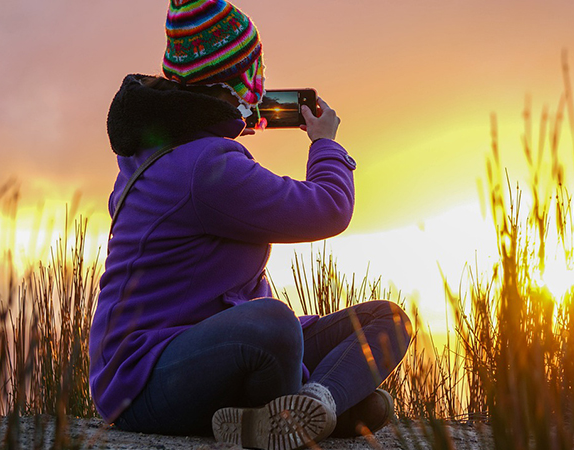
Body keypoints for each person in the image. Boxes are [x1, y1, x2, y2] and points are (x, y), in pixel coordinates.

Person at [88, 1, 412, 449]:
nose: (261, 81)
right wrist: (325, 143)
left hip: (208, 352)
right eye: (255, 68)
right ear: (231, 80)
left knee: (387, 320)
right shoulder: (207, 165)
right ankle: (322, 405)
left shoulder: (171, 148)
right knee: (273, 324)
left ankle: (312, 407)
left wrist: (224, 123)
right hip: (144, 381)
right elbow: (329, 207)